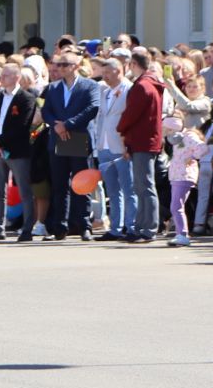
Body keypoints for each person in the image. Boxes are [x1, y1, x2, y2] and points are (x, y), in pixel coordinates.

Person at [40, 50, 101, 241]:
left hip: (78, 137)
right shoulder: (53, 88)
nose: (59, 68)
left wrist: (67, 124)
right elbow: (46, 110)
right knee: (59, 185)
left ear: (75, 66)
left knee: (81, 184)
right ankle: (59, 227)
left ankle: (83, 225)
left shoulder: (89, 86)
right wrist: (56, 125)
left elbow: (92, 108)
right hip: (58, 139)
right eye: (58, 64)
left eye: (64, 65)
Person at [0, 60, 37, 242]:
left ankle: (28, 228)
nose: (2, 78)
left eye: (6, 75)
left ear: (17, 77)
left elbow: (22, 126)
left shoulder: (26, 98)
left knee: (24, 190)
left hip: (17, 150)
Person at [119, 48, 166, 243]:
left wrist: (121, 127)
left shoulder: (142, 86)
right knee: (141, 185)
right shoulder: (151, 84)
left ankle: (148, 228)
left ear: (134, 65)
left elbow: (131, 113)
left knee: (145, 185)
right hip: (146, 139)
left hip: (143, 141)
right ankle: (141, 226)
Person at [92, 56, 132, 239]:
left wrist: (128, 144)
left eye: (108, 72)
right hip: (104, 146)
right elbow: (101, 116)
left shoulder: (129, 89)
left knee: (128, 188)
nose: (104, 76)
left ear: (119, 71)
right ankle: (116, 227)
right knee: (112, 190)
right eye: (103, 73)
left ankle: (131, 226)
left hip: (121, 145)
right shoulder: (104, 91)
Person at [165, 114, 203, 247]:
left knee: (176, 206)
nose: (167, 133)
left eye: (169, 130)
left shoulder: (188, 136)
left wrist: (192, 157)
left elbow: (203, 148)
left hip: (185, 175)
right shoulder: (177, 140)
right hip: (176, 175)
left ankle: (182, 234)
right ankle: (180, 234)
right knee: (176, 206)